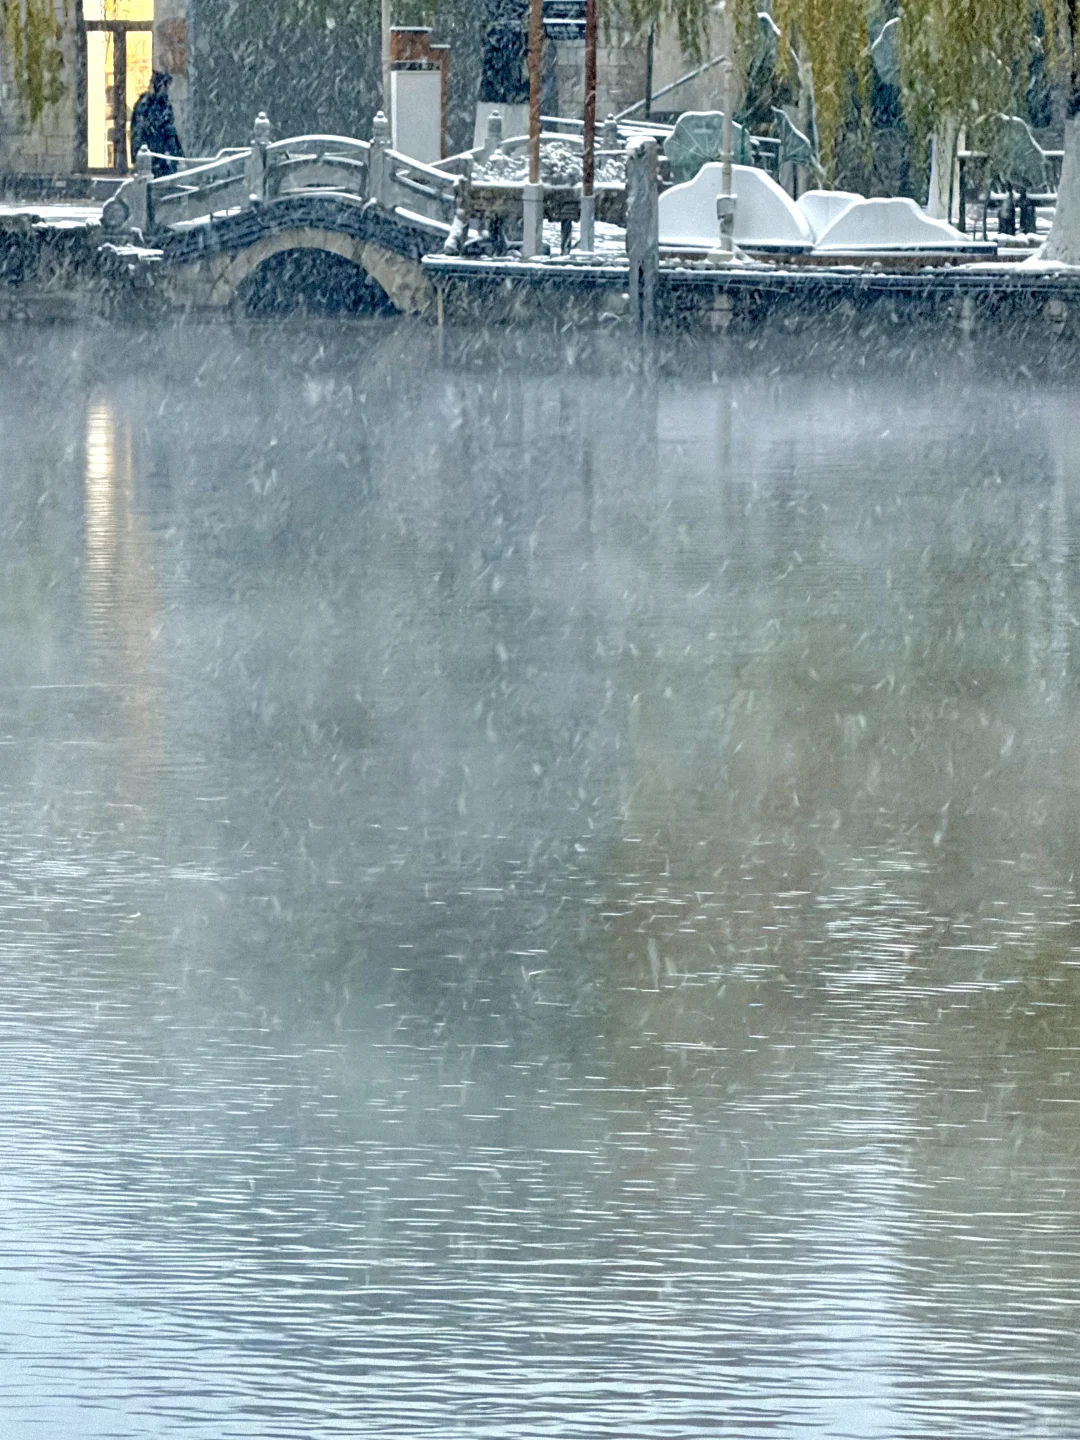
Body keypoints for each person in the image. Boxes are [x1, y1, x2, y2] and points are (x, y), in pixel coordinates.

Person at [129, 71, 183, 177]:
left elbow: (169, 131)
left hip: (161, 159)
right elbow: (141, 132)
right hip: (152, 159)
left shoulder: (163, 103)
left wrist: (177, 155)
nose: (167, 90)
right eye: (166, 86)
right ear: (160, 86)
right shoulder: (146, 105)